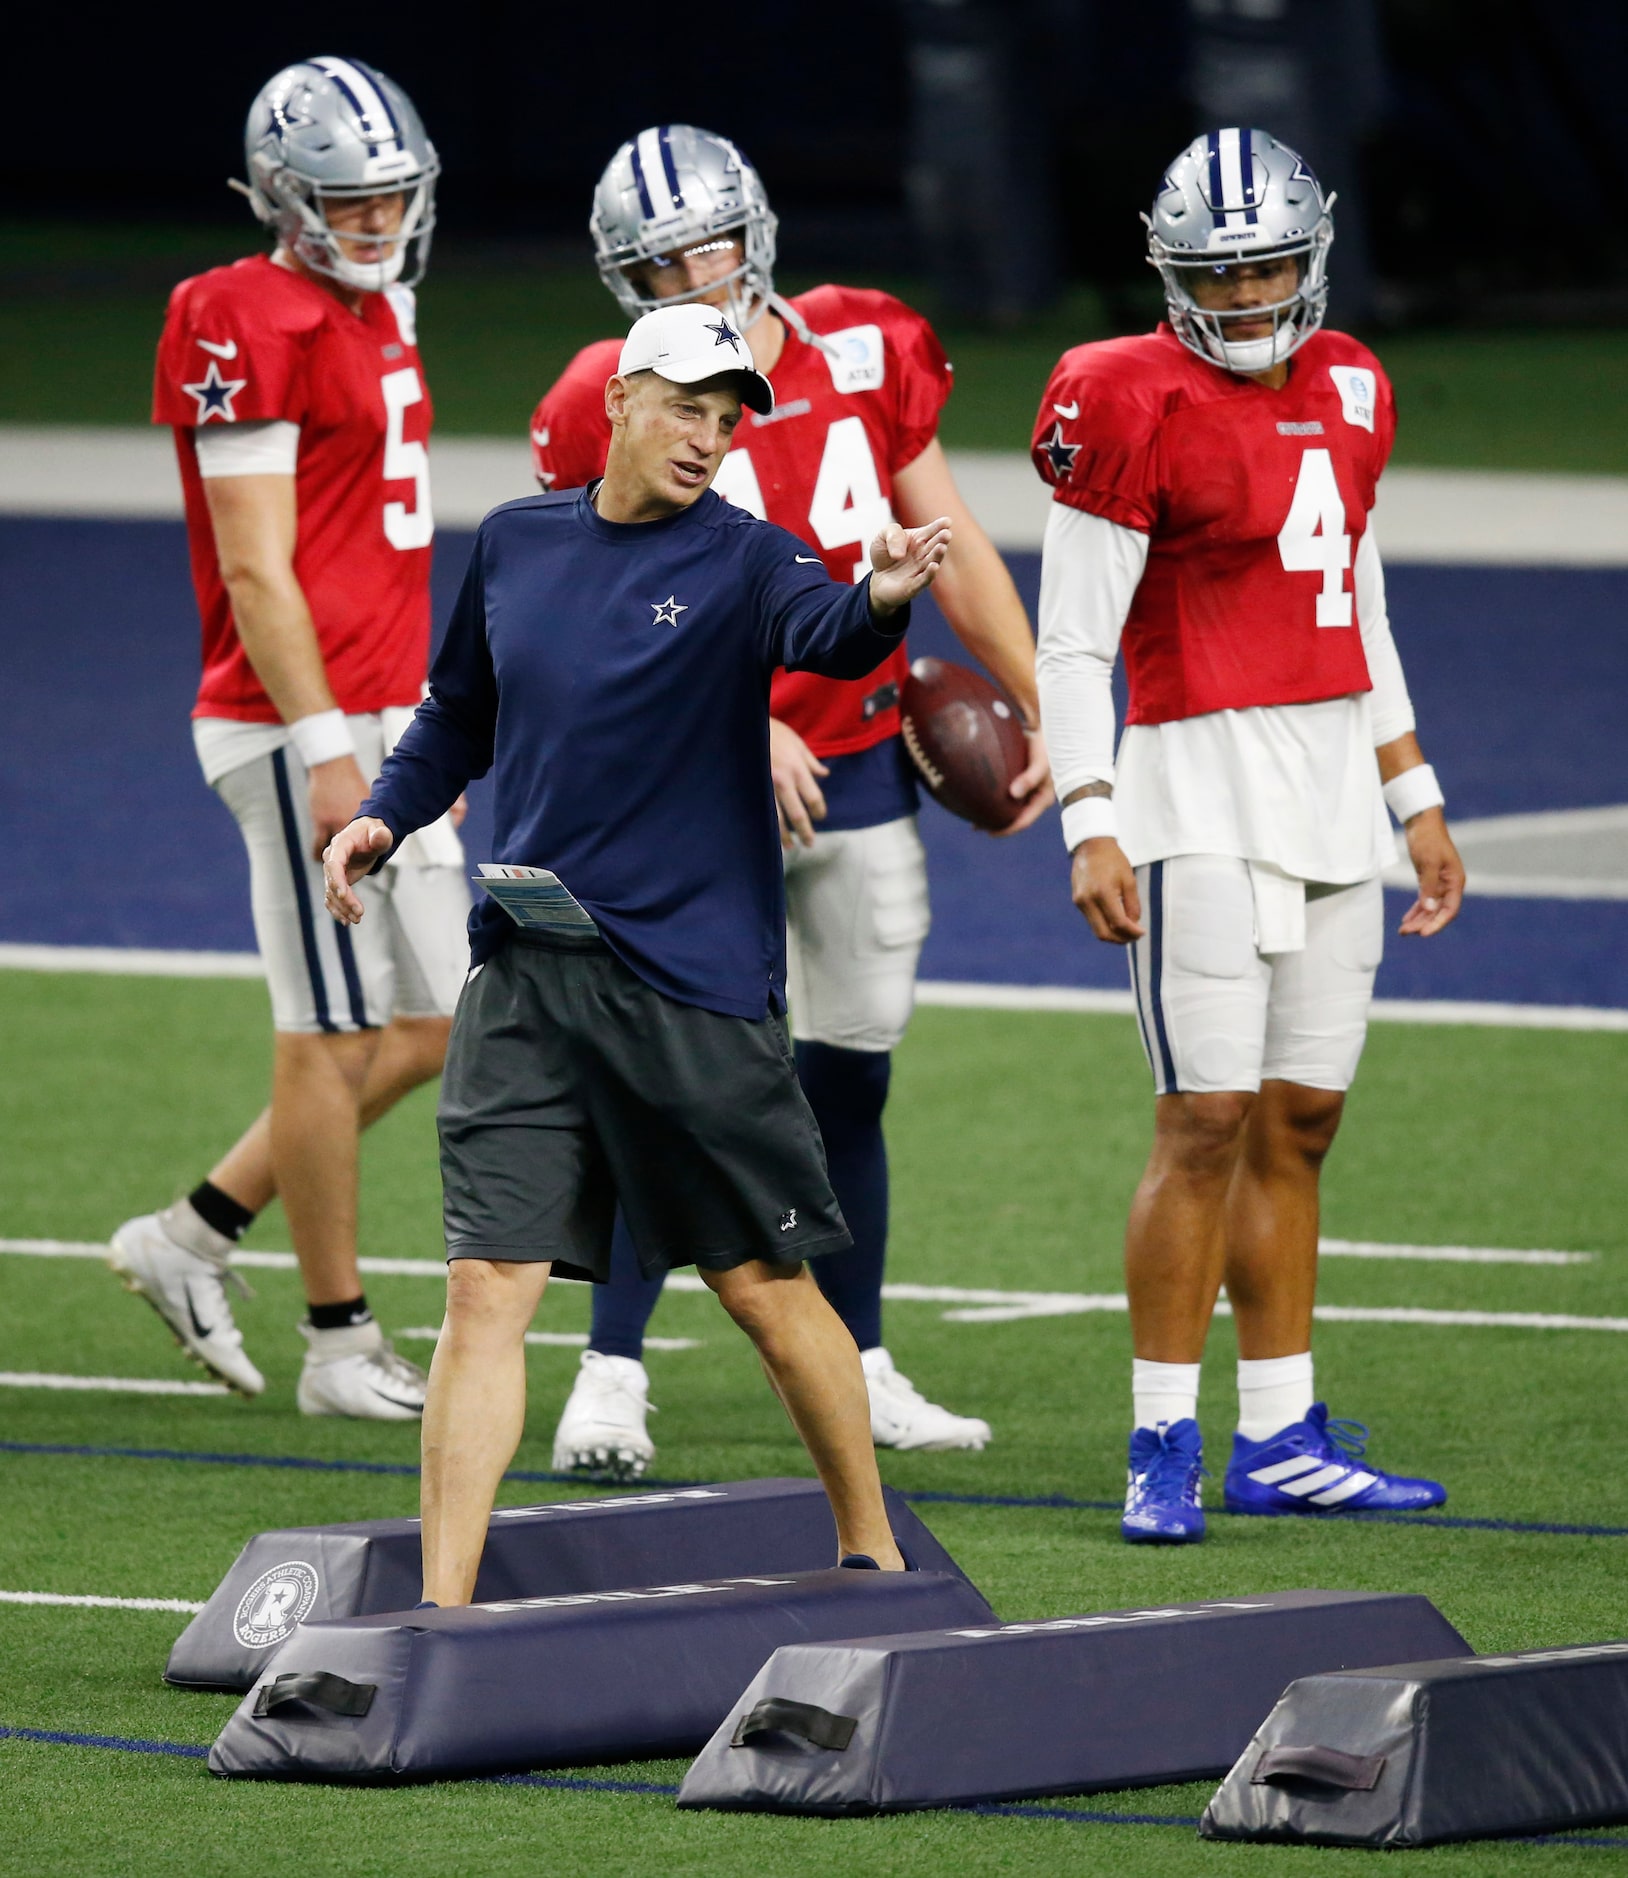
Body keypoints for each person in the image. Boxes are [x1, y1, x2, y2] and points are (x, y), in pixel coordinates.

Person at [322, 301, 955, 1598]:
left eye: (727, 421)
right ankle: (443, 1610)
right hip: (528, 973)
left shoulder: (743, 555)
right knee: (488, 1286)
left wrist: (883, 593)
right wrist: (383, 814)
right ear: (618, 397)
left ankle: (876, 1555)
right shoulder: (515, 543)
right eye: (685, 408)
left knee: (766, 1287)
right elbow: (458, 712)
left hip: (693, 989)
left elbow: (826, 628)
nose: (706, 439)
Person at [530, 123, 1053, 1478]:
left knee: (850, 1078)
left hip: (865, 759)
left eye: (705, 244)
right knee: (669, 1080)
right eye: (658, 262)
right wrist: (738, 712)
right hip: (697, 777)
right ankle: (611, 1371)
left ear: (753, 232)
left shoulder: (865, 347)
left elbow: (948, 542)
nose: (692, 274)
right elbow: (592, 597)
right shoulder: (614, 387)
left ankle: (862, 1356)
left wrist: (1051, 700)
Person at [1032, 128, 1467, 1544]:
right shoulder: (1121, 394)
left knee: (1303, 1118)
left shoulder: (1353, 381)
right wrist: (1089, 821)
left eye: (1271, 264)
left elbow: (1362, 597)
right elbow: (1074, 638)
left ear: (1314, 254)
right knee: (1203, 1118)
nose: (1247, 296)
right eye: (1220, 275)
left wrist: (1415, 791)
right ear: (1173, 278)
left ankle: (1281, 1430)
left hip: (1338, 788)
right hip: (1190, 788)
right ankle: (1164, 1431)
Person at [114, 57, 466, 1419]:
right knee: (328, 1032)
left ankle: (192, 1234)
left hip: (390, 710)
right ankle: (337, 1340)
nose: (375, 223)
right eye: (347, 201)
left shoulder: (380, 309)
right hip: (295, 719)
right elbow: (257, 571)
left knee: (436, 1017)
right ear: (282, 197)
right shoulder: (236, 313)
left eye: (391, 197)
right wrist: (327, 744)